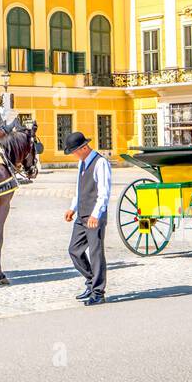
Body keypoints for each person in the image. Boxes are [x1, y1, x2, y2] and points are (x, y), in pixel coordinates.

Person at [62, 130, 111, 306]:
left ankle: (98, 292)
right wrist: (72, 208)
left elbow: (104, 193)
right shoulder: (81, 164)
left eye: (74, 151)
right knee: (74, 250)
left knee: (95, 252)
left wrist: (96, 214)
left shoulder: (100, 163)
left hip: (94, 216)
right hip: (81, 215)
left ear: (83, 148)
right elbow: (79, 189)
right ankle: (91, 282)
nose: (73, 155)